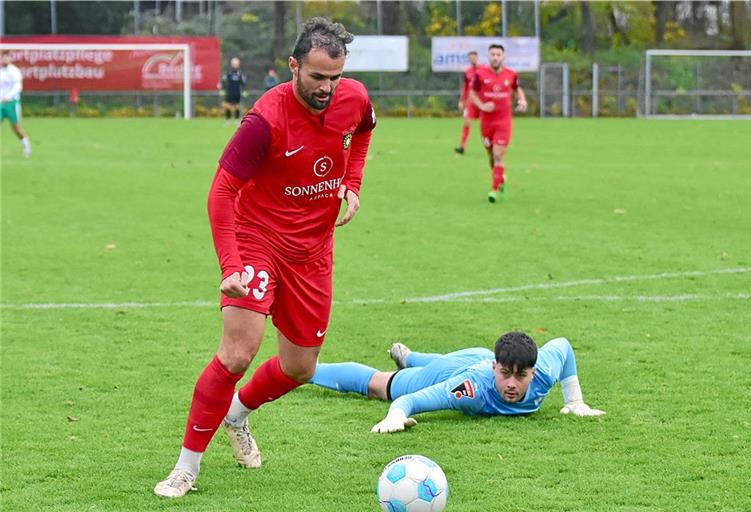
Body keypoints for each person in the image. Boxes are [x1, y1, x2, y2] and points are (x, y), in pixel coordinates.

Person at [154, 17, 376, 498]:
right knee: (237, 352)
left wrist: (351, 183)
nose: (327, 88)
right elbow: (220, 193)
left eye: (334, 78)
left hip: (313, 251)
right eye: (317, 77)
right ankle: (186, 468)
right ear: (293, 66)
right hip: (258, 239)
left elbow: (361, 132)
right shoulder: (265, 120)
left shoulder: (354, 98)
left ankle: (237, 415)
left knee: (301, 367)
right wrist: (231, 266)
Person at [309, 332, 605, 433]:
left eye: (520, 375)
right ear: (495, 368)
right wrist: (397, 416)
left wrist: (574, 401)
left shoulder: (543, 371)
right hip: (455, 370)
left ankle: (410, 356)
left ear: (533, 371)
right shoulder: (469, 389)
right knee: (379, 385)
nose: (512, 383)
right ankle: (304, 371)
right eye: (505, 374)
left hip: (477, 357)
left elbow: (563, 346)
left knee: (444, 360)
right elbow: (410, 401)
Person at [469, 44, 528, 203]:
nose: (495, 57)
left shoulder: (511, 74)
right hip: (486, 123)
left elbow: (517, 89)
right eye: (492, 54)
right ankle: (499, 177)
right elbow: (472, 94)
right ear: (488, 56)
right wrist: (482, 106)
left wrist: (522, 100)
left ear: (503, 57)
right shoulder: (480, 74)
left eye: (498, 54)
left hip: (503, 122)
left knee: (498, 154)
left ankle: (494, 189)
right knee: (490, 156)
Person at [1, 53, 31, 157]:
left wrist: (8, 97)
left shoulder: (14, 71)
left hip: (12, 103)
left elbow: (18, 87)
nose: (4, 59)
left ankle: (26, 144)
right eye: (2, 57)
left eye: (6, 57)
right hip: (0, 103)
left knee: (15, 127)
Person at [454, 51, 479, 155]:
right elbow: (465, 87)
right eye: (471, 58)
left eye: (474, 57)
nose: (472, 59)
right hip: (470, 102)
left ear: (477, 58)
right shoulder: (467, 72)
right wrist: (462, 100)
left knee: (487, 125)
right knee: (467, 122)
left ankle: (492, 144)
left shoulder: (484, 70)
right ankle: (462, 147)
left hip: (482, 102)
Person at [220, 57, 247, 123]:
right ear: (231, 64)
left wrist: (244, 90)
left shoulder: (240, 73)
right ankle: (228, 119)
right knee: (227, 105)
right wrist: (222, 89)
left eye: (236, 63)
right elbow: (223, 81)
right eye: (234, 63)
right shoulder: (228, 72)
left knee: (237, 106)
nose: (235, 65)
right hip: (229, 91)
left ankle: (236, 119)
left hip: (237, 91)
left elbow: (243, 82)